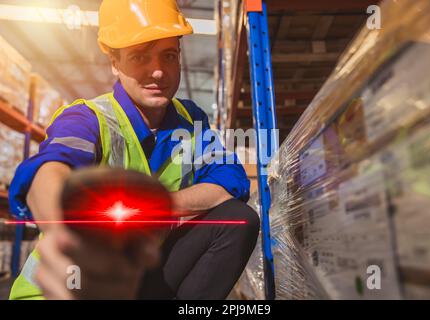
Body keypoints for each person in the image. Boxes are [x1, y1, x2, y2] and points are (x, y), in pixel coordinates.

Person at [8, 0, 259, 300]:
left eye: (168, 55)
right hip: (68, 285)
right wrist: (63, 232)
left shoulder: (190, 120)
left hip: (133, 271)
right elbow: (49, 170)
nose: (158, 72)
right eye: (139, 56)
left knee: (238, 220)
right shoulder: (88, 118)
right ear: (114, 62)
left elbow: (229, 181)